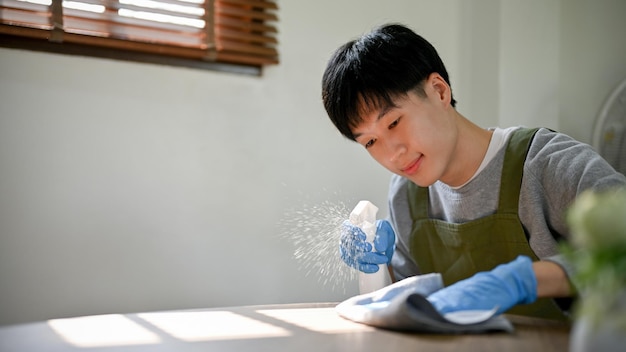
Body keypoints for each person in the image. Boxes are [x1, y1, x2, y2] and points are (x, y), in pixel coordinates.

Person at [322, 23, 626, 320]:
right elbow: (413, 309)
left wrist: (527, 280)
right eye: (371, 141)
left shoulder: (547, 164)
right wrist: (380, 269)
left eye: (393, 123)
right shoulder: (406, 195)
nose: (392, 154)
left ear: (439, 91)